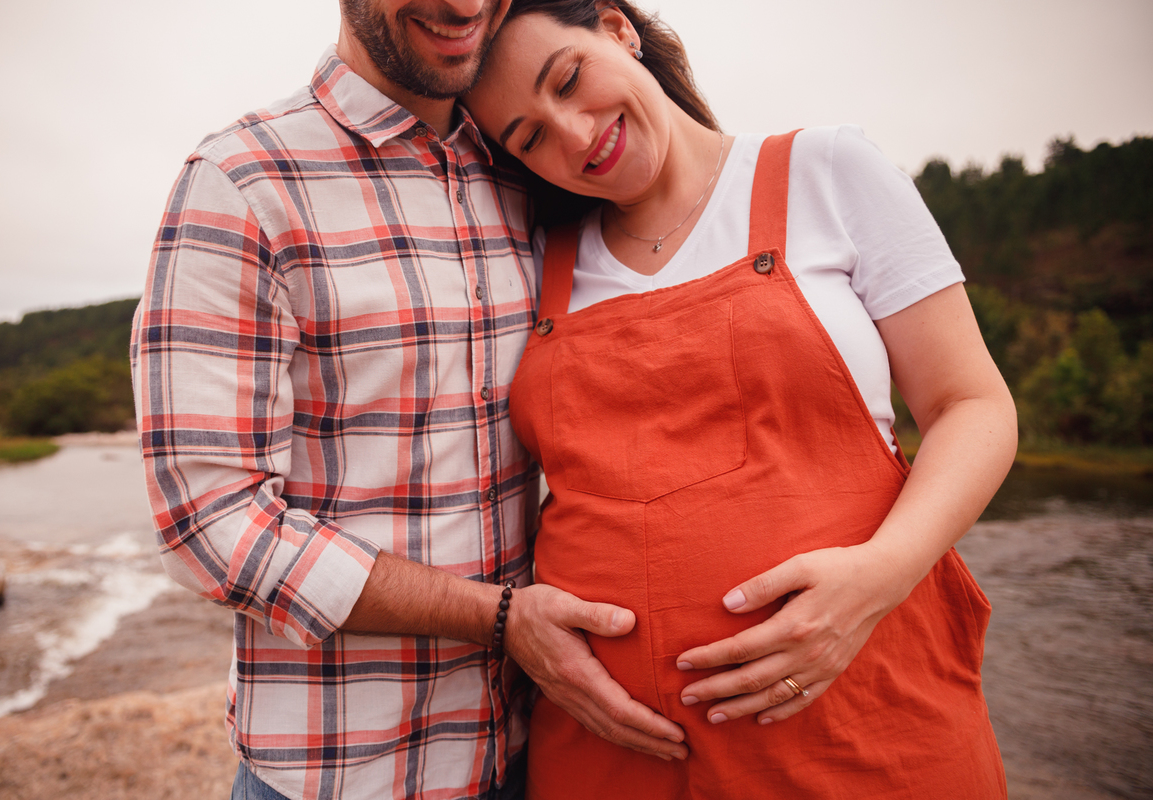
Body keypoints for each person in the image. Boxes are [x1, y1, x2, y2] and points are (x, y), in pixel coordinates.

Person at [130, 2, 692, 799]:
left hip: (537, 751)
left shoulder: (529, 159)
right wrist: (497, 618)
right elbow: (208, 521)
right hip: (340, 776)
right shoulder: (243, 182)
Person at [462, 0, 1018, 797]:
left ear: (618, 28)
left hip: (861, 731)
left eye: (570, 80)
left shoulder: (828, 172)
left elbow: (973, 406)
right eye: (530, 137)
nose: (576, 137)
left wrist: (879, 577)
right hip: (607, 760)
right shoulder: (532, 261)